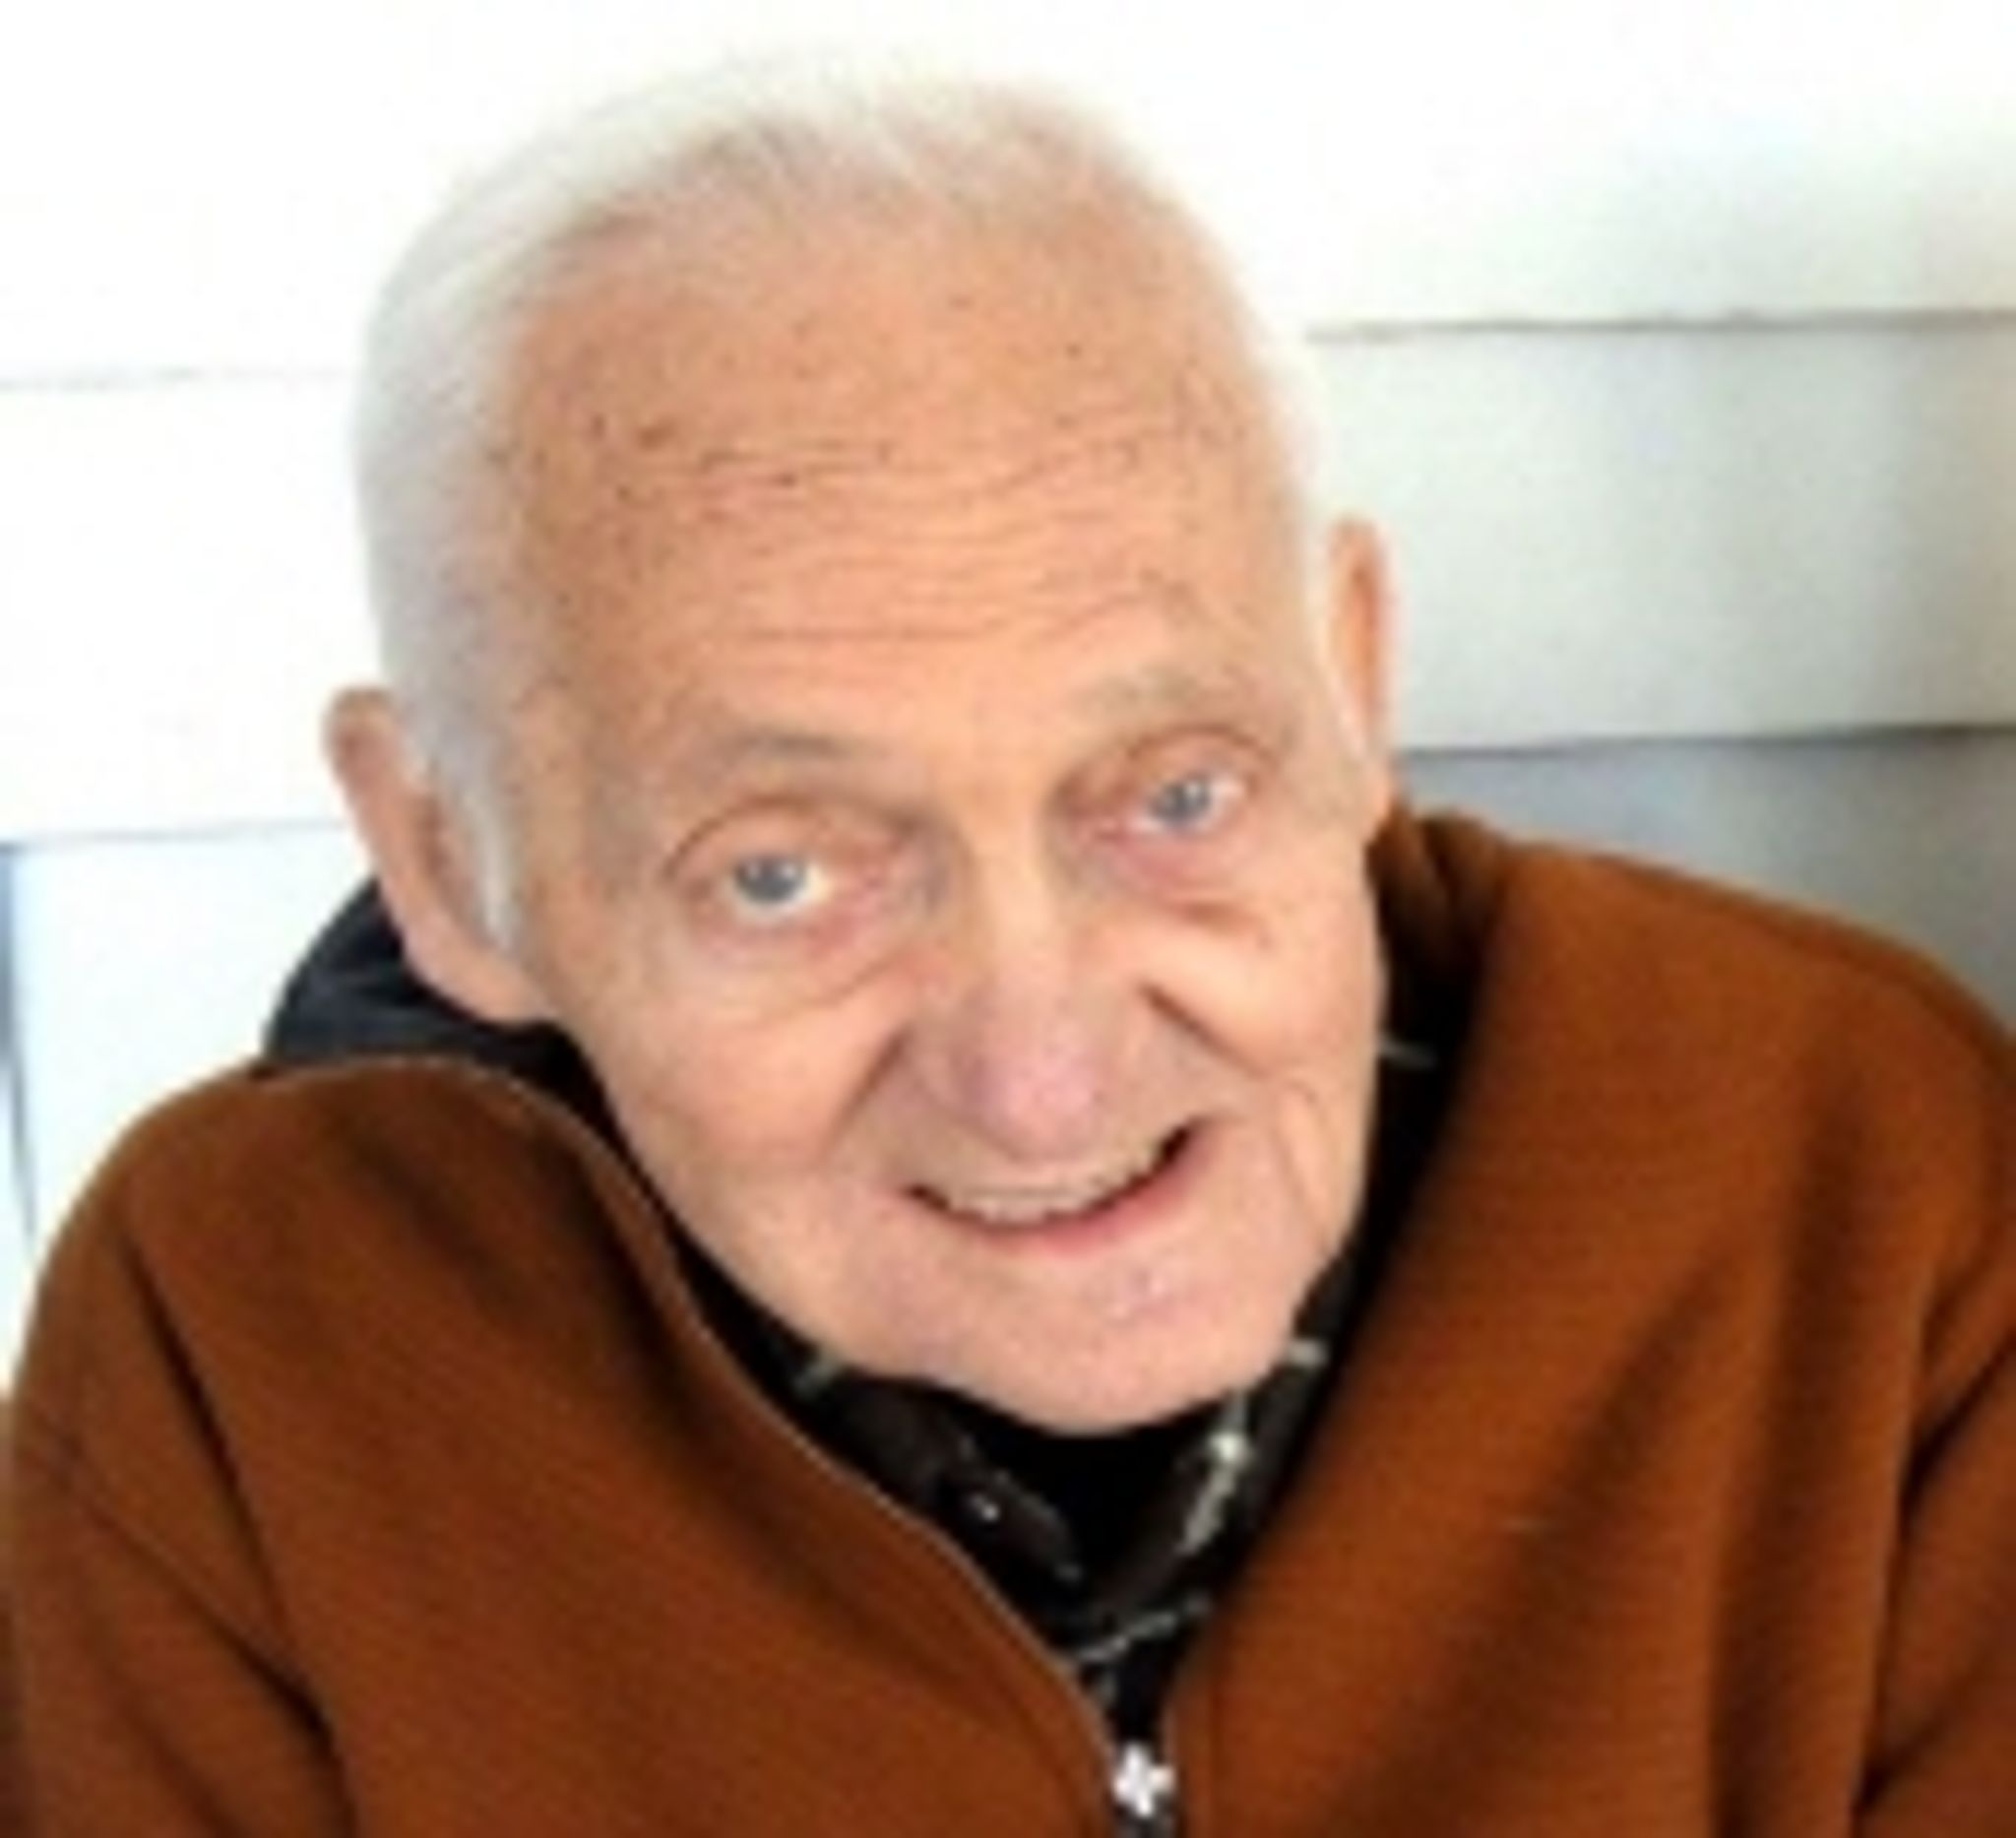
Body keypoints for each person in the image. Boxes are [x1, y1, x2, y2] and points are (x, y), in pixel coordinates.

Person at [5, 61, 2012, 1835]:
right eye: (781, 876)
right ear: (449, 860)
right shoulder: (251, 1333)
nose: (1043, 1078)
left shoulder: (1848, 1181)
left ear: (1349, 682)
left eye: (1174, 795)